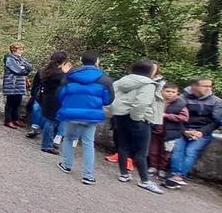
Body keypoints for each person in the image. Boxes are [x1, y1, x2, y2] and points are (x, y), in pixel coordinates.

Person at [56, 51, 114, 185]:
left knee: (69, 138)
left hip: (71, 114)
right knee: (88, 143)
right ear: (97, 61)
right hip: (91, 116)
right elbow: (108, 100)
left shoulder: (70, 76)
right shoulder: (104, 79)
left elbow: (60, 95)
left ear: (81, 60)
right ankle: (88, 175)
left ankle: (67, 165)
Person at [109, 60, 165, 194]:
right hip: (139, 120)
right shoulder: (148, 84)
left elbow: (112, 98)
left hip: (120, 116)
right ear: (150, 71)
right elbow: (141, 103)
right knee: (141, 151)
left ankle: (123, 174)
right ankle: (145, 180)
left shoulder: (119, 82)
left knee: (123, 146)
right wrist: (137, 118)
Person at [168, 78, 222, 186]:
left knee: (191, 151)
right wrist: (185, 131)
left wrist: (201, 132)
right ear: (194, 87)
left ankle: (179, 176)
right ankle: (175, 174)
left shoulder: (216, 101)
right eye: (205, 86)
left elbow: (217, 121)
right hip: (183, 129)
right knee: (178, 150)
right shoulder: (182, 98)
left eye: (210, 86)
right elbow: (176, 116)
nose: (208, 88)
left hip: (203, 131)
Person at [149, 84, 189, 188]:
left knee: (166, 152)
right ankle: (153, 167)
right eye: (168, 91)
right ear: (162, 91)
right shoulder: (157, 101)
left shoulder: (180, 104)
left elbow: (184, 118)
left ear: (177, 93)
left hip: (170, 133)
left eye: (173, 92)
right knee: (153, 150)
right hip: (156, 130)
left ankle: (162, 169)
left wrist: (167, 115)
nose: (170, 94)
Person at [36, 51, 71, 154]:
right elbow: (65, 83)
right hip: (54, 99)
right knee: (51, 122)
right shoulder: (59, 74)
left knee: (50, 120)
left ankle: (49, 143)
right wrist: (65, 73)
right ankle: (47, 145)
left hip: (47, 98)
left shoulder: (46, 70)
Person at [2, 42, 33, 129]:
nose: (21, 51)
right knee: (10, 102)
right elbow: (18, 70)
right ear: (13, 50)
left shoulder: (22, 58)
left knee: (18, 102)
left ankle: (15, 119)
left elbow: (30, 67)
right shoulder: (10, 59)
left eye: (22, 49)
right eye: (19, 49)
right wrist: (24, 68)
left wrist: (25, 68)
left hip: (20, 84)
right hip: (11, 83)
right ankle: (8, 120)